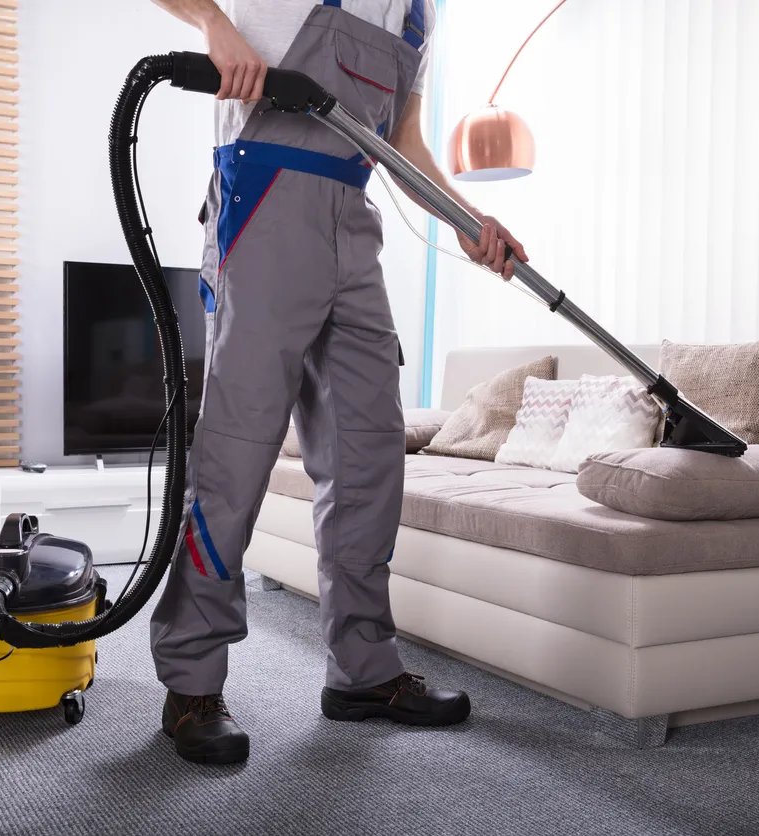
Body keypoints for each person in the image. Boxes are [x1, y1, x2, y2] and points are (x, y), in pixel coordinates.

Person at [149, 0, 527, 765]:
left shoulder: (420, 19)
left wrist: (465, 216)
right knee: (237, 452)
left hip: (353, 227)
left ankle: (363, 669)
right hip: (262, 203)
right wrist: (214, 25)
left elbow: (404, 143)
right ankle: (191, 681)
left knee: (369, 456)